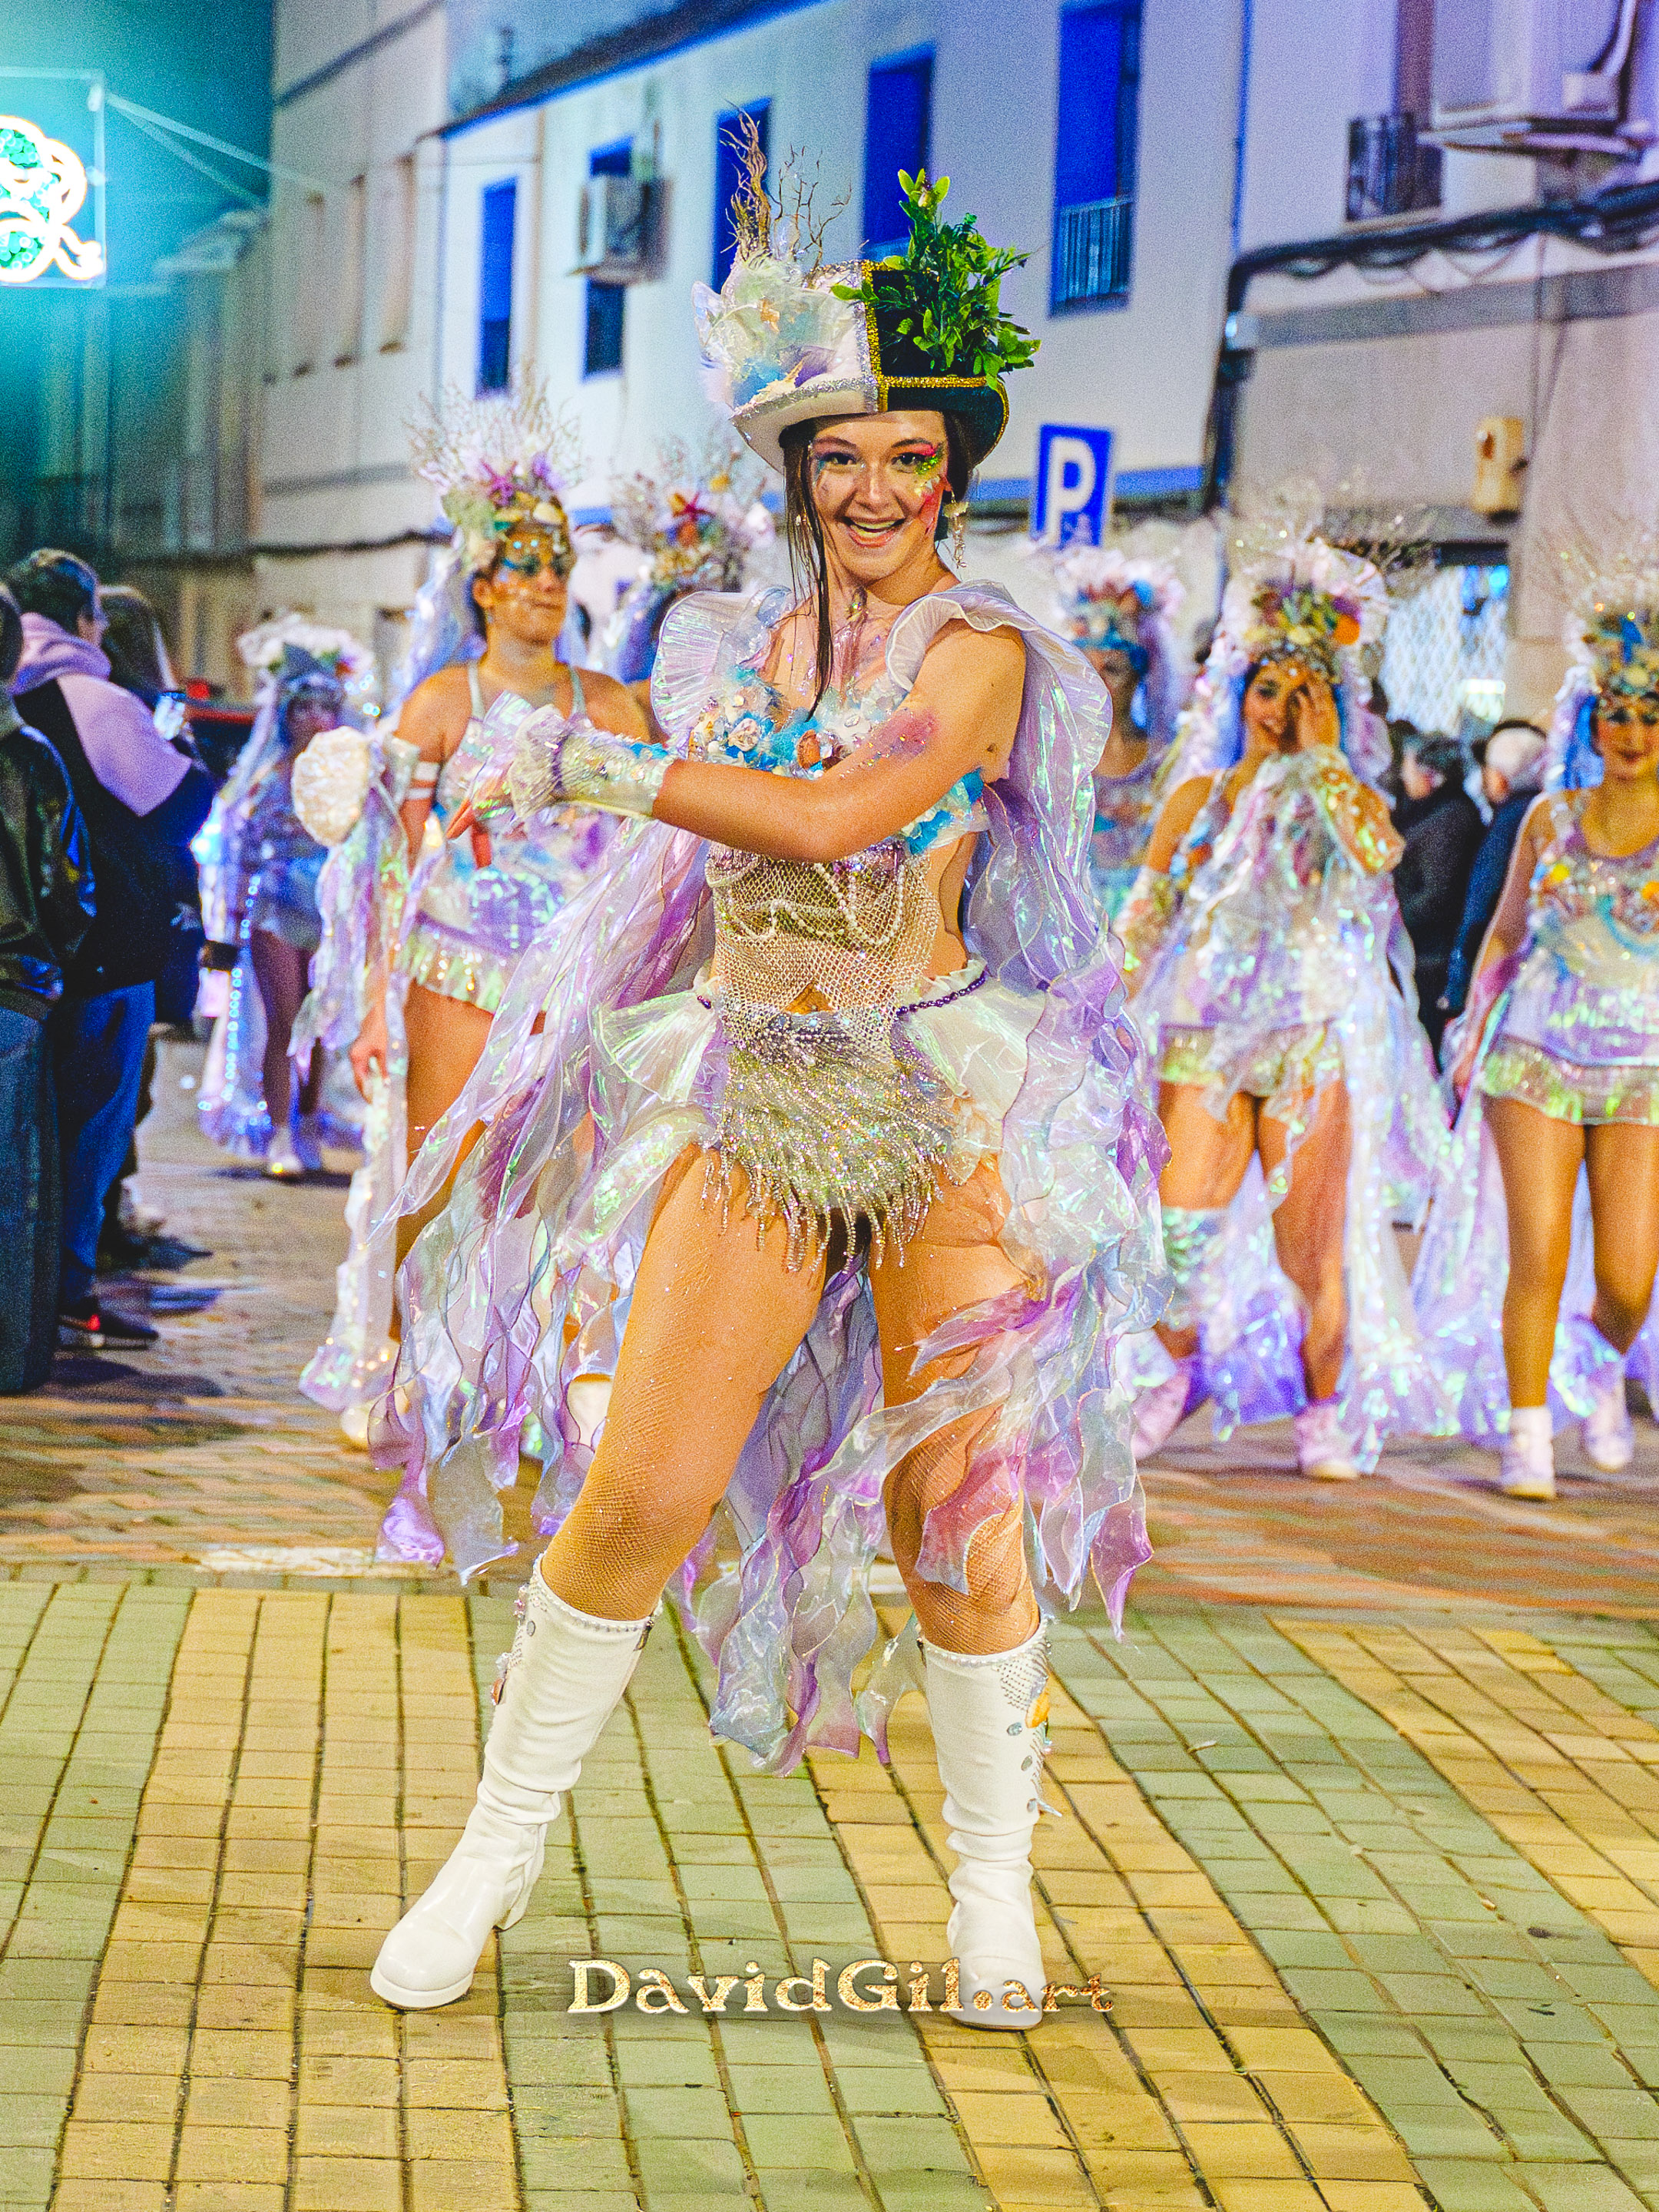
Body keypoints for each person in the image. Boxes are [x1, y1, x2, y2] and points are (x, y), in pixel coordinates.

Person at [367, 161, 1164, 2029]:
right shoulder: (726, 645)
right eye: (840, 458)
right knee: (639, 1490)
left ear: (950, 474)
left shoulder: (977, 655)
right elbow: (661, 794)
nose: (873, 491)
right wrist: (422, 757)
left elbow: (828, 814)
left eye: (908, 458)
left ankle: (990, 1895)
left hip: (937, 1102)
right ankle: (487, 1858)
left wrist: (572, 763)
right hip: (751, 1089)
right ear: (795, 473)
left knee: (958, 1516)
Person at [295, 381, 646, 1457]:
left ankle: (558, 1383)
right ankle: (398, 1363)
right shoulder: (445, 701)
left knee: (571, 1182)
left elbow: (655, 854)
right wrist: (374, 1003)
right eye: (524, 566)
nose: (547, 583)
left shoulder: (614, 706)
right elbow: (391, 866)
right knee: (438, 1172)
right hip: (457, 972)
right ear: (483, 586)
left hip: (575, 983)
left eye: (558, 563)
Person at [1118, 518, 1451, 1479]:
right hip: (1204, 1039)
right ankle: (1176, 1376)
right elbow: (1146, 917)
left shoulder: (1344, 801)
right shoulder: (1200, 800)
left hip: (1306, 1041)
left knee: (1311, 1250)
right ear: (1239, 695)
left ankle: (1322, 1408)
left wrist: (1321, 758)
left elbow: (1381, 855)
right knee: (1178, 1231)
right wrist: (1093, 1006)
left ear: (1334, 706)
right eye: (1268, 689)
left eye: (1305, 692)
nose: (1280, 709)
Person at [1416, 568, 1659, 1498]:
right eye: (1615, 712)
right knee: (1540, 1252)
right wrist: (1473, 1027)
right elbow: (1506, 933)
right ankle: (1528, 1436)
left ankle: (1594, 1370)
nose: (1630, 732)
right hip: (1535, 1055)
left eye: (1649, 714)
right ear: (1590, 722)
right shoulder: (1549, 818)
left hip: (1642, 1064)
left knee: (1629, 1276)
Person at [8, 548, 214, 1352]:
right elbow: (181, 804)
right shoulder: (95, 700)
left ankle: (22, 1302)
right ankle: (64, 1295)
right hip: (100, 955)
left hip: (17, 966)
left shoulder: (12, 695)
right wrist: (182, 744)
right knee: (89, 1131)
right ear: (84, 620)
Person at [195, 620, 374, 1179]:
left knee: (321, 1025)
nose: (314, 718)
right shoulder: (266, 779)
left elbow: (372, 849)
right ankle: (279, 1131)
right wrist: (226, 927)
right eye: (303, 708)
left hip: (331, 913)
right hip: (275, 909)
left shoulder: (357, 783)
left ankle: (311, 1121)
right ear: (285, 715)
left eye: (324, 707)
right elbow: (240, 851)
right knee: (282, 1022)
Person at [0, 587, 97, 1389]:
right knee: (14, 1189)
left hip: (19, 987)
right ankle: (9, 1353)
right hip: (16, 992)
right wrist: (53, 961)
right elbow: (69, 886)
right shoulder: (32, 758)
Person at [96, 585, 207, 1267]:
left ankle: (110, 1209)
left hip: (121, 914)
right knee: (125, 1077)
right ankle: (106, 1219)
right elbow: (183, 799)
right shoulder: (136, 712)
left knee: (120, 1079)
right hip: (142, 914)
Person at [1035, 540, 1187, 917]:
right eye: (1085, 669)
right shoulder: (1050, 758)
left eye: (1113, 668)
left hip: (1145, 929)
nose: (1096, 683)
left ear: (1142, 674)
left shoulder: (1172, 761)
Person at [1442, 719, 1548, 1022]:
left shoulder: (1509, 824)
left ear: (1499, 778)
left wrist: (1458, 989)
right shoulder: (1549, 816)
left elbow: (1482, 905)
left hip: (1498, 979)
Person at [1392, 732, 1483, 1058]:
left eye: (1408, 768)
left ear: (1431, 774)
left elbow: (1437, 895)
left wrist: (1392, 919)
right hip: (1426, 955)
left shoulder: (1448, 820)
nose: (1403, 777)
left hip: (1432, 961)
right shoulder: (1436, 814)